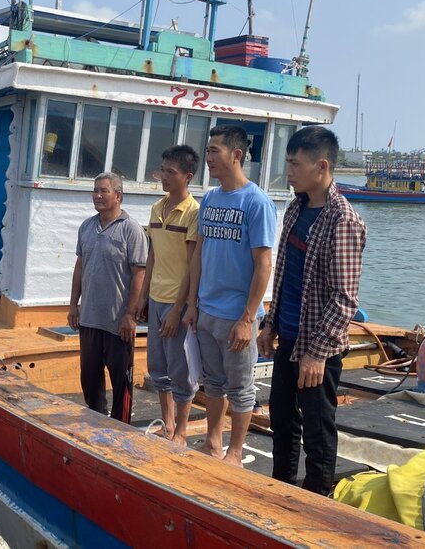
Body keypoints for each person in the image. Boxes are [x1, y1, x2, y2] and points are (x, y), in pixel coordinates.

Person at [257, 125, 367, 496]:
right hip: (288, 336)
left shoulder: (343, 220)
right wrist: (270, 323)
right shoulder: (295, 208)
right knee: (282, 420)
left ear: (321, 166)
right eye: (287, 162)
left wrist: (316, 354)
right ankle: (282, 491)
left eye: (294, 164)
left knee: (318, 431)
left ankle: (318, 501)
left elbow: (345, 298)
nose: (288, 171)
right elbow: (286, 275)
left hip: (319, 349)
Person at [183, 125, 276, 466]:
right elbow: (199, 254)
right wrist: (192, 303)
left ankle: (235, 452)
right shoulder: (209, 199)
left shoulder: (257, 202)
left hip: (237, 316)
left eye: (214, 151)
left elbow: (263, 263)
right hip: (206, 310)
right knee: (213, 384)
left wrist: (248, 318)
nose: (208, 158)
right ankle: (212, 442)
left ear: (236, 155)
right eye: (207, 151)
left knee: (240, 387)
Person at [132, 145, 200, 443]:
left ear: (188, 176)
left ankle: (182, 430)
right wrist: (142, 296)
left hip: (178, 302)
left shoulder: (194, 212)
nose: (165, 177)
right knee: (158, 366)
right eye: (163, 170)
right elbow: (153, 256)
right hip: (156, 297)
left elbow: (191, 265)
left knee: (181, 369)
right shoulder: (156, 208)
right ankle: (168, 423)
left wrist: (179, 309)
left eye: (172, 172)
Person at [69, 172, 147, 423]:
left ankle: (122, 427)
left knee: (120, 381)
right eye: (95, 190)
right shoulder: (87, 227)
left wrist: (130, 315)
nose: (97, 195)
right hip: (90, 318)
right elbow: (80, 266)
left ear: (118, 196)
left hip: (118, 324)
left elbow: (139, 274)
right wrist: (73, 305)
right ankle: (95, 420)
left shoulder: (131, 230)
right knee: (90, 377)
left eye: (103, 191)